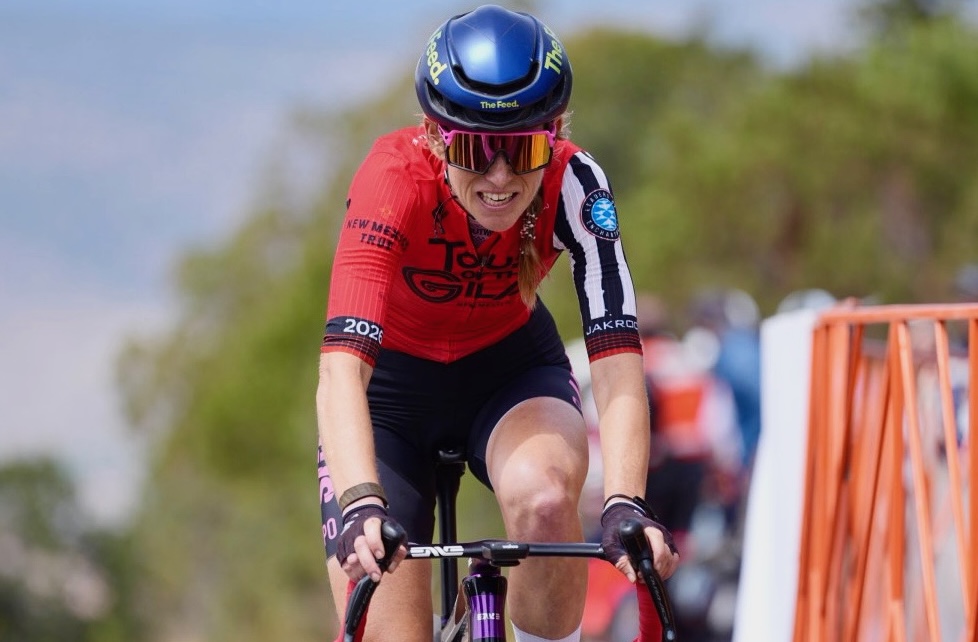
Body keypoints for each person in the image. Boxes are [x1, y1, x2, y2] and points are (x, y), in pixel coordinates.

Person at [315, 6, 679, 642]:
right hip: (390, 399)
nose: (502, 177)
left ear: (555, 134)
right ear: (436, 138)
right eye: (476, 150)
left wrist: (624, 500)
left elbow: (617, 354)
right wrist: (360, 502)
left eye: (523, 148)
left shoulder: (577, 181)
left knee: (544, 501)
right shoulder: (392, 180)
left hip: (508, 373)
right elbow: (342, 369)